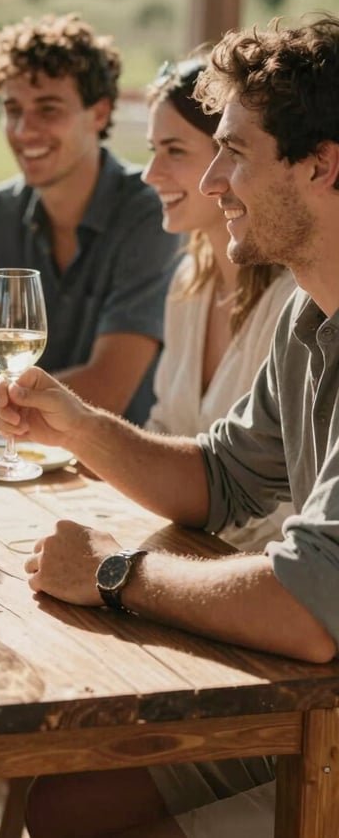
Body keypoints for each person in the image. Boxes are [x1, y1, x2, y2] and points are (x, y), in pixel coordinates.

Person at [0, 15, 339, 838]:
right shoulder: (307, 318)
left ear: (324, 166)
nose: (215, 179)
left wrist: (113, 575)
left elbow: (311, 611)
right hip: (315, 705)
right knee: (68, 800)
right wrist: (75, 423)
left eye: (237, 152)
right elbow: (220, 481)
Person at [0, 13, 177, 425]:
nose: (24, 130)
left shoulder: (148, 211)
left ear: (98, 114)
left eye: (48, 109)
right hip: (15, 455)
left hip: (115, 471)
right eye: (12, 109)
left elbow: (108, 389)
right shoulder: (2, 211)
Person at [142, 55, 295, 549]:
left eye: (173, 151)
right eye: (151, 150)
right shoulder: (190, 281)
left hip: (255, 577)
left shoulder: (297, 301)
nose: (150, 173)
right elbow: (165, 426)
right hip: (186, 548)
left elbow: (284, 503)